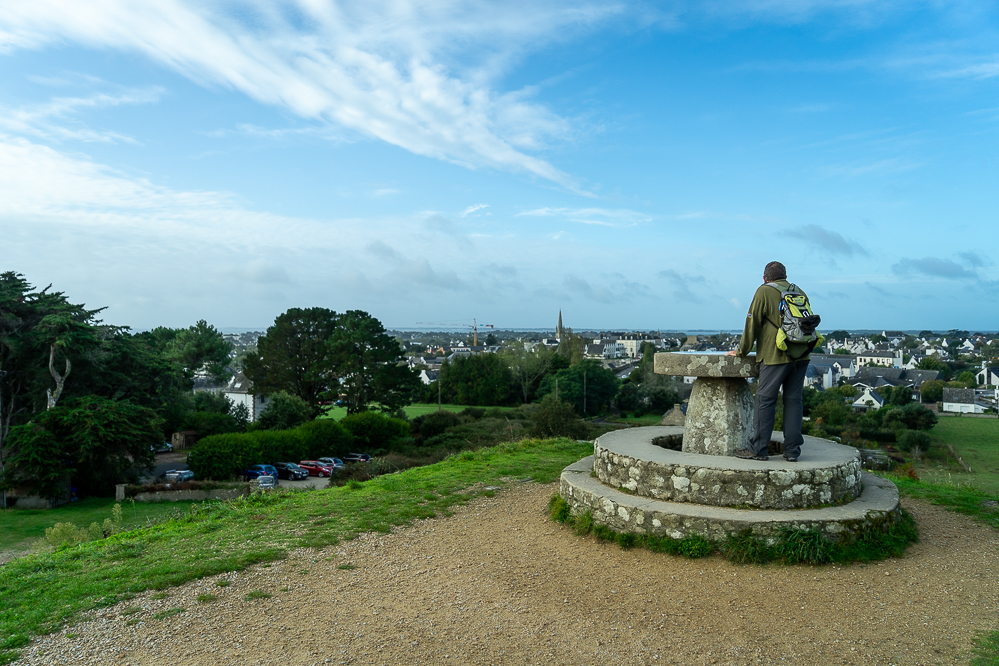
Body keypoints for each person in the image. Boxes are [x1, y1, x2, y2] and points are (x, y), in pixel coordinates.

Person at [726, 261, 813, 462]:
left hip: (776, 354)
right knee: (793, 401)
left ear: (765, 278)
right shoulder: (799, 291)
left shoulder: (764, 291)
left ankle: (758, 449)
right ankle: (792, 451)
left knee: (765, 400)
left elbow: (752, 322)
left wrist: (741, 351)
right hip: (802, 353)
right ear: (785, 276)